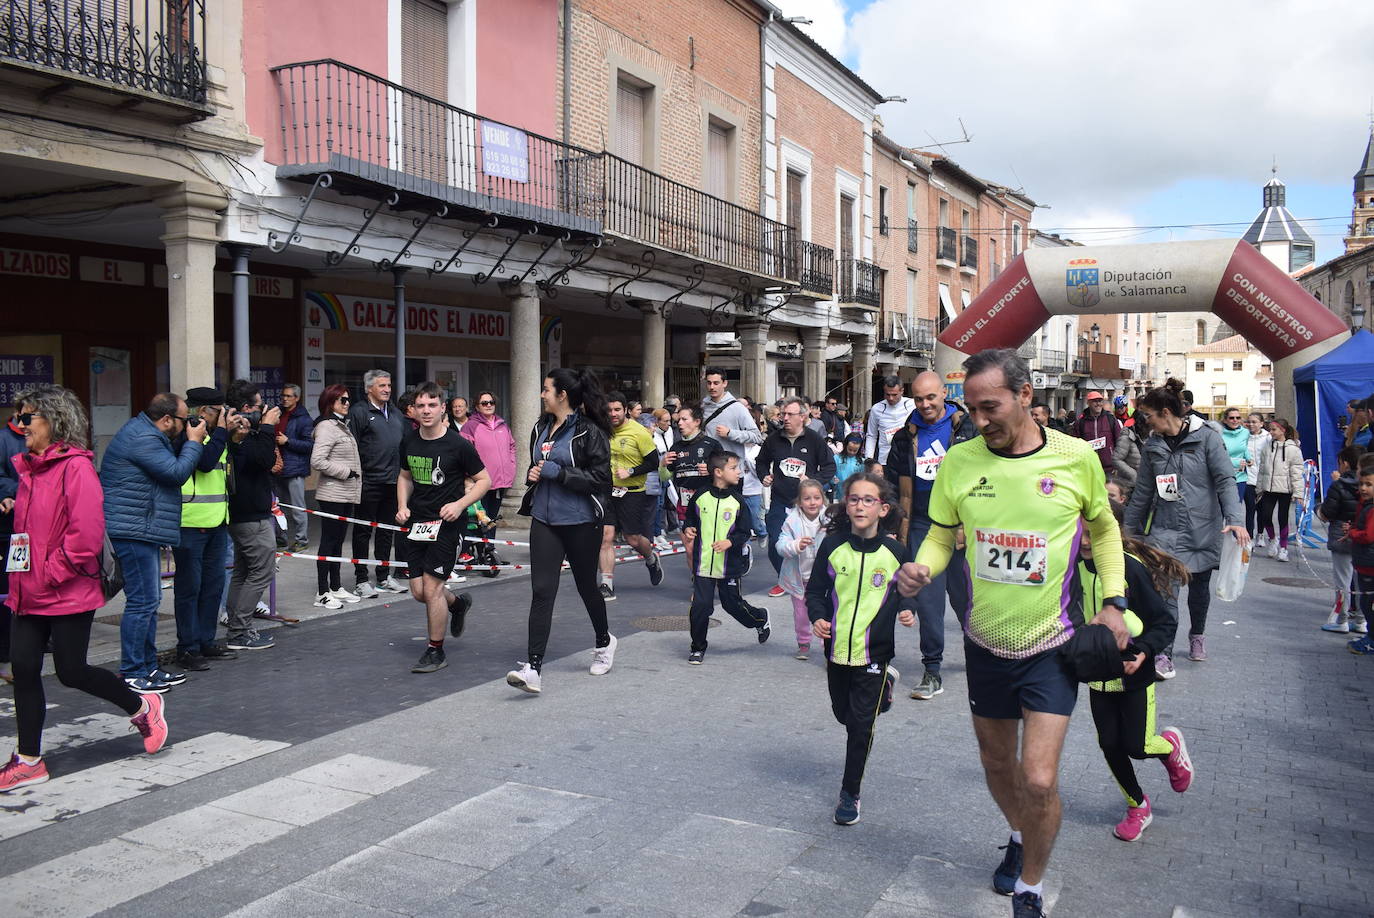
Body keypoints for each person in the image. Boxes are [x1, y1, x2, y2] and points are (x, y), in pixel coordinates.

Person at [894, 348, 1130, 918]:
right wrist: (921, 564)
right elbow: (941, 532)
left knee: (1040, 777)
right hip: (985, 642)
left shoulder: (1076, 459)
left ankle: (1030, 886)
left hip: (1052, 643)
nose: (980, 421)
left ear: (1026, 396)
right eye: (971, 410)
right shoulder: (959, 461)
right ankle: (1021, 832)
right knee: (998, 766)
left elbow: (1103, 530)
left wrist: (1116, 603)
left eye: (991, 407)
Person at [0, 386, 168, 792]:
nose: (20, 425)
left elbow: (85, 537)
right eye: (19, 417)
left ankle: (143, 706)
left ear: (55, 422)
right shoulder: (28, 470)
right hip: (28, 589)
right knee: (22, 667)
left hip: (65, 588)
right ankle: (29, 759)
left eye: (29, 417)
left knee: (71, 671)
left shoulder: (76, 468)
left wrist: (50, 573)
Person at [1082, 500, 1195, 842]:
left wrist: (1144, 651)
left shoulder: (1130, 569)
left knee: (1137, 745)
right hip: (1098, 677)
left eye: (1095, 533)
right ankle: (1137, 805)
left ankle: (1170, 747)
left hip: (1135, 676)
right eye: (1082, 533)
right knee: (1110, 745)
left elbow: (1164, 622)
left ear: (1114, 534)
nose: (1087, 541)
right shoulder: (1070, 566)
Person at [807, 471, 914, 825]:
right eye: (854, 498)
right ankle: (886, 687)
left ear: (883, 509)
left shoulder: (896, 551)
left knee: (860, 725)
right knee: (842, 714)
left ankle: (849, 793)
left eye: (869, 500)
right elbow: (816, 591)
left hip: (875, 651)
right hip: (836, 649)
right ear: (845, 505)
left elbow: (907, 590)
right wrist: (817, 617)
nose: (860, 505)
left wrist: (908, 608)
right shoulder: (832, 545)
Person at [1124, 379, 1247, 674]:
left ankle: (1197, 636)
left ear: (1165, 412)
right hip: (1165, 531)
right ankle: (1163, 653)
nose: (1145, 421)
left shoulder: (1206, 438)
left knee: (1199, 590)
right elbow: (1142, 493)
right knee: (1165, 592)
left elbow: (1225, 480)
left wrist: (1236, 520)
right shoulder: (1153, 445)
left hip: (1203, 528)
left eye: (1148, 415)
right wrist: (1128, 532)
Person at [508, 369, 617, 694]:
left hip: (581, 520)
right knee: (542, 590)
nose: (542, 395)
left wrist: (559, 473)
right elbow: (539, 462)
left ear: (562, 395)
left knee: (586, 586)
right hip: (544, 518)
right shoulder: (541, 427)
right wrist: (535, 473)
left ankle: (604, 642)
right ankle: (533, 669)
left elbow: (601, 480)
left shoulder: (588, 432)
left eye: (546, 389)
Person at [101, 391, 207, 692]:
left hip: (139, 526)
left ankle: (147, 667)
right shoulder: (143, 439)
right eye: (184, 420)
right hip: (132, 529)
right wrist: (194, 442)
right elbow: (175, 473)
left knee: (149, 600)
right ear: (166, 419)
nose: (189, 424)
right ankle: (133, 671)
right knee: (143, 601)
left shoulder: (146, 433)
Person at [884, 370, 977, 701]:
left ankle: (979, 653)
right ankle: (932, 669)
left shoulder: (969, 429)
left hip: (964, 523)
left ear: (943, 394)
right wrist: (894, 529)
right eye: (919, 398)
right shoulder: (903, 435)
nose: (925, 404)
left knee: (966, 598)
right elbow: (892, 487)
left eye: (931, 397)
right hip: (923, 523)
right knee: (929, 600)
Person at [396, 382, 485, 674]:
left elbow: (484, 481)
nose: (426, 411)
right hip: (418, 523)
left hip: (448, 524)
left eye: (432, 405)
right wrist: (402, 506)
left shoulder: (458, 444)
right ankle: (457, 605)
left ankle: (435, 650)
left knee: (432, 588)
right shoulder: (409, 440)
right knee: (420, 592)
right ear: (414, 410)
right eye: (421, 405)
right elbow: (405, 476)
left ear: (442, 408)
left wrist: (460, 505)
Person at [172, 388, 238, 672]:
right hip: (190, 523)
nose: (222, 416)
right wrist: (223, 432)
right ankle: (187, 647)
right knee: (190, 588)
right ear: (202, 412)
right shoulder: (186, 435)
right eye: (218, 411)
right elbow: (206, 462)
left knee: (213, 586)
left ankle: (206, 640)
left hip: (216, 523)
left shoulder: (213, 436)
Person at [683, 451, 770, 664]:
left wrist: (730, 542)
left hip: (728, 566)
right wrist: (689, 529)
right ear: (718, 472)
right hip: (703, 564)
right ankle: (697, 647)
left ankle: (760, 618)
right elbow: (690, 519)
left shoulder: (737, 501)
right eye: (734, 468)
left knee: (732, 605)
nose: (739, 472)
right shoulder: (700, 495)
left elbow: (744, 531)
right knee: (701, 607)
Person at [222, 380, 282, 653]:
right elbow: (265, 460)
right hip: (250, 516)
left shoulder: (241, 431)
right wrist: (268, 426)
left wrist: (262, 428)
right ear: (247, 408)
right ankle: (239, 630)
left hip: (243, 513)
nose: (265, 410)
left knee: (244, 571)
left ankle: (237, 624)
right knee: (262, 571)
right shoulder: (238, 433)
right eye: (259, 406)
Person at [757, 397, 835, 597]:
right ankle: (785, 580)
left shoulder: (814, 439)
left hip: (807, 504)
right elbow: (761, 462)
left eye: (790, 414)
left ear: (803, 416)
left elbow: (829, 467)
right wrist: (764, 475)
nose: (785, 418)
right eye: (783, 414)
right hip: (780, 500)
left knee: (812, 543)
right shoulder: (773, 440)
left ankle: (813, 580)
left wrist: (812, 481)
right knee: (776, 541)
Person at [598, 391, 664, 600]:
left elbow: (653, 462)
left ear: (625, 410)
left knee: (633, 539)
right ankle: (606, 583)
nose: (613, 414)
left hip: (633, 492)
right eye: (609, 410)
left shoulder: (639, 432)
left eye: (617, 409)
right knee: (606, 536)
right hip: (609, 491)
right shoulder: (603, 430)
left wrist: (631, 472)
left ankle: (651, 558)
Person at [349, 370, 408, 598]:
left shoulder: (395, 413)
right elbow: (351, 447)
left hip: (393, 482)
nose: (387, 389)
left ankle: (383, 576)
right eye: (382, 385)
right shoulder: (359, 412)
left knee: (386, 532)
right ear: (368, 388)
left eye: (389, 385)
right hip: (368, 482)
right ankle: (361, 580)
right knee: (363, 532)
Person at [310, 384, 362, 610]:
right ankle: (322, 591)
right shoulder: (326, 426)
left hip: (346, 493)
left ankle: (336, 586)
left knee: (339, 542)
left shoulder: (341, 426)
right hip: (332, 493)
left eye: (348, 399)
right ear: (330, 402)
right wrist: (346, 472)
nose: (347, 403)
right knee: (328, 542)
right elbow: (317, 460)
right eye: (342, 400)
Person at [700, 367, 766, 536]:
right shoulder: (704, 406)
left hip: (733, 471)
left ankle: (740, 549)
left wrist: (731, 433)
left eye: (716, 383)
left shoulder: (737, 408)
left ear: (725, 384)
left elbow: (756, 436)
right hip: (711, 470)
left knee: (733, 515)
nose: (712, 387)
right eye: (709, 383)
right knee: (713, 515)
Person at [663, 404, 720, 574]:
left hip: (708, 502)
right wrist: (662, 465)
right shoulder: (676, 447)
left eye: (684, 419)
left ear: (696, 422)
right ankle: (698, 582)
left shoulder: (712, 445)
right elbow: (664, 477)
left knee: (710, 545)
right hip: (685, 503)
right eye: (678, 419)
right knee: (690, 548)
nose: (679, 423)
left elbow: (725, 475)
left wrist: (711, 471)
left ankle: (714, 577)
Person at [777, 479, 827, 659]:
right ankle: (804, 642)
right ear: (799, 502)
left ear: (823, 499)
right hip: (800, 578)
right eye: (807, 498)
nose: (812, 502)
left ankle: (827, 645)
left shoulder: (829, 519)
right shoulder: (792, 520)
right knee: (801, 615)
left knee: (825, 613)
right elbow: (781, 545)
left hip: (824, 580)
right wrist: (796, 545)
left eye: (816, 498)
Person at [1319, 445, 1365, 634]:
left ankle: (1342, 618)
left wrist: (1319, 509)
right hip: (1363, 536)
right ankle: (1362, 620)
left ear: (1345, 463)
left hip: (1341, 534)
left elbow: (1328, 512)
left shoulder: (1339, 485)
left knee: (1342, 581)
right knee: (1362, 580)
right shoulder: (1366, 485)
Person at [0, 398, 29, 684]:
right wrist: (13, 493)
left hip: (31, 528)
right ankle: (7, 654)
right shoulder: (4, 440)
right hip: (10, 526)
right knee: (8, 589)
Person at [459, 391, 516, 524]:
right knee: (479, 519)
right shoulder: (469, 427)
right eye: (484, 403)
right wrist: (469, 477)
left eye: (492, 402)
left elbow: (512, 446)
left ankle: (490, 545)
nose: (489, 405)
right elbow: (463, 453)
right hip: (480, 482)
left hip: (500, 481)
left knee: (493, 518)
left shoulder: (503, 425)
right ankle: (481, 545)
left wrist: (511, 467)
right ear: (477, 407)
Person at [1254, 418, 1305, 563]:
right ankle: (1272, 539)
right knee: (1265, 515)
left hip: (1285, 489)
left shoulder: (1293, 449)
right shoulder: (1267, 448)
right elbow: (1262, 470)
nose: (1271, 432)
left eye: (1273, 430)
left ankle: (1284, 548)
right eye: (1270, 429)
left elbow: (1296, 472)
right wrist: (1259, 488)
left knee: (1283, 518)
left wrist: (1298, 493)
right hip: (1268, 488)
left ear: (1282, 430)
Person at [271, 384, 313, 552]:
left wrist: (288, 441)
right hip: (276, 467)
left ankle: (301, 540)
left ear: (297, 398)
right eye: (283, 395)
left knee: (297, 508)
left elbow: (309, 445)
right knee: (278, 507)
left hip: (294, 469)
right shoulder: (277, 413)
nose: (285, 399)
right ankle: (280, 539)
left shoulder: (303, 418)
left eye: (289, 396)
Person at [1346, 460, 1374, 655]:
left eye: (1369, 484)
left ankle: (1371, 640)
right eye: (1362, 484)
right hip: (1365, 563)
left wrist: (1353, 533)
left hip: (1369, 564)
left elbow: (1369, 535)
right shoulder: (1366, 505)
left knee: (1367, 604)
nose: (1363, 488)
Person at [864, 375, 914, 467]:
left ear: (902, 391)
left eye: (894, 395)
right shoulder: (876, 409)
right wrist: (869, 459)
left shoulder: (913, 405)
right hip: (884, 460)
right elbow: (871, 435)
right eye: (887, 394)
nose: (891, 398)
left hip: (907, 457)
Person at [1218, 407, 1252, 530]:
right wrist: (1236, 462)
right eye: (1231, 418)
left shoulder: (1245, 432)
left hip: (1240, 476)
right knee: (1221, 510)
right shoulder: (1218, 433)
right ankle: (1219, 541)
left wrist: (1249, 457)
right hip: (1223, 476)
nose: (1235, 420)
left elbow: (1244, 447)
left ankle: (1236, 542)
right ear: (1225, 420)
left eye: (1238, 417)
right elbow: (1218, 455)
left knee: (1235, 510)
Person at [1072, 390, 1121, 476]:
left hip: (1108, 469)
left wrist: (1118, 464)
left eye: (1100, 401)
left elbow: (1119, 442)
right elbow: (1076, 446)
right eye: (1094, 401)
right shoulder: (1080, 423)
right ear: (1088, 403)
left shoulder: (1111, 419)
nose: (1098, 404)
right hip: (1088, 468)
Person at [647, 408, 675, 549]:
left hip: (665, 470)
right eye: (665, 421)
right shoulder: (651, 435)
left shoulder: (669, 432)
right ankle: (652, 534)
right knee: (655, 505)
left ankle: (658, 533)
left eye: (670, 420)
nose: (669, 424)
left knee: (661, 504)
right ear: (656, 423)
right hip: (654, 473)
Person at [1244, 412, 1271, 538]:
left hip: (1263, 478)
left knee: (1263, 510)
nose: (1251, 424)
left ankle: (1260, 534)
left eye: (1254, 422)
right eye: (1249, 422)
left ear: (1261, 424)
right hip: (1248, 478)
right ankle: (1250, 537)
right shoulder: (1244, 436)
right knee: (1250, 509)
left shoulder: (1268, 438)